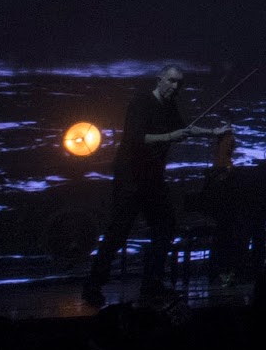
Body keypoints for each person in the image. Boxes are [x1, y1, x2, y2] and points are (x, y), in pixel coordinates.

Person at [81, 65, 228, 306]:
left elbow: (185, 129)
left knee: (164, 226)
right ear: (159, 79)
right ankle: (93, 285)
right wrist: (170, 137)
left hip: (152, 180)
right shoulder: (141, 103)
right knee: (118, 233)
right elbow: (137, 138)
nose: (175, 87)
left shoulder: (169, 106)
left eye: (179, 83)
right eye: (171, 81)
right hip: (130, 179)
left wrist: (213, 132)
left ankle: (151, 284)